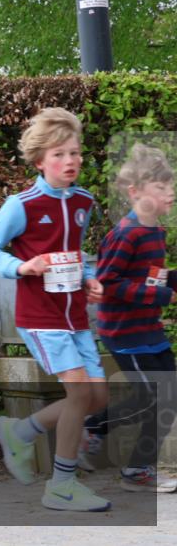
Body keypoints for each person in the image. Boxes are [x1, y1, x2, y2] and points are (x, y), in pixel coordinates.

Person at [0, 107, 110, 512]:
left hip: (74, 315)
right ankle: (62, 485)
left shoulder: (84, 200)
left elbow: (76, 256)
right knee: (81, 393)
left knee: (98, 397)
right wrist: (22, 266)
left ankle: (20, 432)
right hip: (41, 316)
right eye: (59, 155)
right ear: (39, 162)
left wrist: (90, 278)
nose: (70, 161)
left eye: (74, 153)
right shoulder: (23, 204)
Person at [77, 143, 177, 492]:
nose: (171, 193)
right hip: (124, 333)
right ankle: (137, 471)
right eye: (162, 187)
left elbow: (149, 276)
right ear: (136, 192)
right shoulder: (126, 233)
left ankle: (95, 425)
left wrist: (170, 280)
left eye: (171, 186)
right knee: (155, 398)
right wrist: (162, 294)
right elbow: (108, 282)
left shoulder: (156, 232)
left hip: (150, 330)